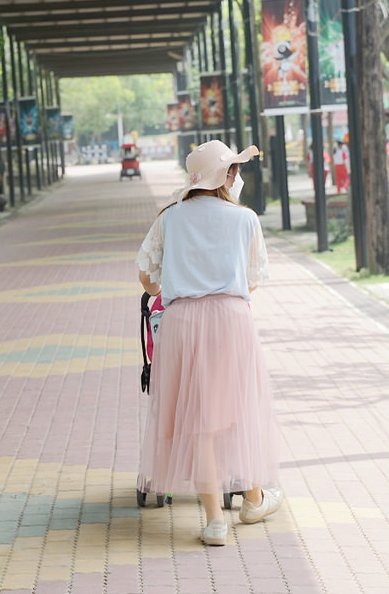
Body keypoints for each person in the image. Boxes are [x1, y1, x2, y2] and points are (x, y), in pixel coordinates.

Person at [135, 140, 281, 547]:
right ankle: (253, 498)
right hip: (231, 320)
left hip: (182, 322)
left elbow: (147, 278)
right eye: (235, 169)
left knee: (197, 421)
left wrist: (180, 280)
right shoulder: (245, 219)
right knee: (238, 410)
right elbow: (253, 279)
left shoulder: (170, 217)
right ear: (228, 176)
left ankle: (216, 520)